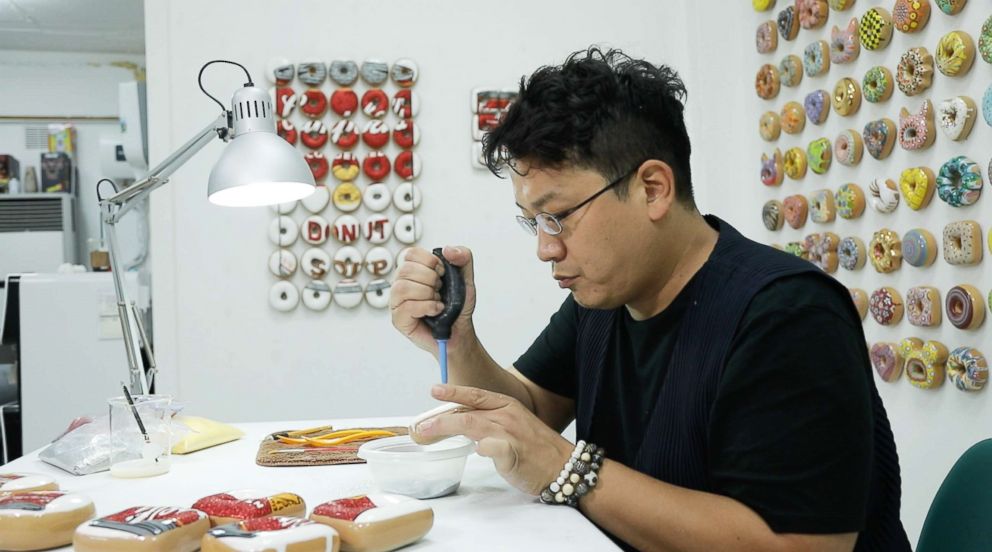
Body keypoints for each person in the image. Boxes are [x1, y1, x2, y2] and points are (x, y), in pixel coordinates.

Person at [389, 47, 909, 551]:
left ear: (654, 188)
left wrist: (569, 470)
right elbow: (528, 414)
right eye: (534, 223)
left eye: (559, 216)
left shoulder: (788, 316)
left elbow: (798, 545)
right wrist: (458, 340)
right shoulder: (604, 300)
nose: (547, 248)